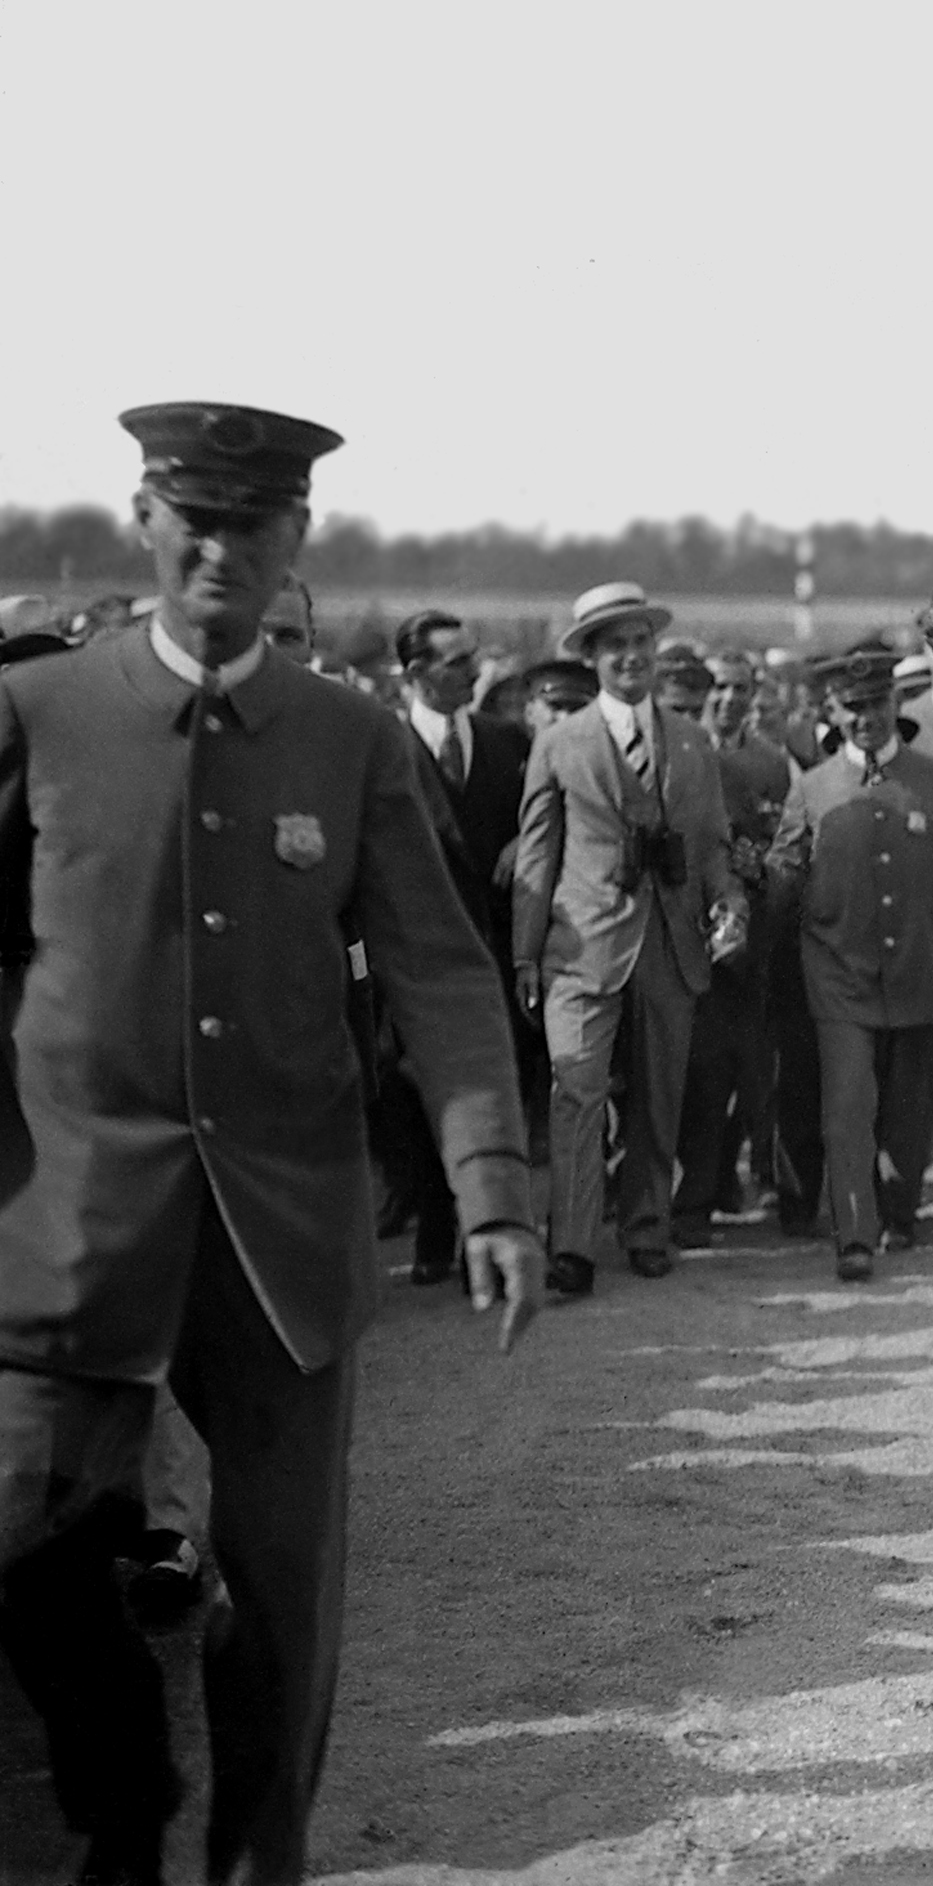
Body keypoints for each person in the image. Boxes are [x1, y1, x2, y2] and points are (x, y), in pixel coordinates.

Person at [0, 402, 540, 1884]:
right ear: (144, 522)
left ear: (298, 540)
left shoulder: (347, 739)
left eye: (255, 525)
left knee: (283, 1613)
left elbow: (438, 970)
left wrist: (491, 1189)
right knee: (27, 1554)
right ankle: (120, 1816)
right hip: (68, 1229)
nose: (221, 551)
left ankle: (259, 1865)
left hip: (281, 1245)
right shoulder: (43, 715)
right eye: (196, 519)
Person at [514, 580, 745, 1293]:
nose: (631, 657)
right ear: (592, 658)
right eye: (614, 646)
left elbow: (711, 845)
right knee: (575, 1087)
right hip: (580, 947)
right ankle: (574, 1246)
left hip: (670, 943)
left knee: (658, 1094)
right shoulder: (560, 743)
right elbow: (536, 853)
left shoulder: (691, 742)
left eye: (640, 642)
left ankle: (648, 1225)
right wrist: (526, 953)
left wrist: (730, 902)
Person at [767, 651, 933, 1280]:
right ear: (833, 714)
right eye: (851, 708)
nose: (864, 719)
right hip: (837, 974)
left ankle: (899, 1209)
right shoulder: (812, 788)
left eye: (875, 705)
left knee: (912, 1113)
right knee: (846, 1106)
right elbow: (786, 874)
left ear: (895, 706)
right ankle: (854, 1232)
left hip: (923, 973)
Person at [385, 608, 535, 1284]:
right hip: (414, 952)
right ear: (416, 674)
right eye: (456, 662)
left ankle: (495, 1227)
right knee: (417, 1094)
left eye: (473, 656)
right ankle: (434, 1235)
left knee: (494, 1088)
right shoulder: (384, 748)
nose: (474, 670)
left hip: (495, 948)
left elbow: (544, 815)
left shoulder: (508, 742)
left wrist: (521, 842)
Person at [680, 650, 799, 1235]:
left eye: (740, 690)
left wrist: (763, 864)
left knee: (752, 1069)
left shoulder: (772, 763)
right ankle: (695, 1197)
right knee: (699, 1075)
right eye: (720, 688)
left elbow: (785, 842)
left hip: (753, 940)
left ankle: (747, 1177)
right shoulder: (679, 748)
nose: (729, 700)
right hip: (685, 933)